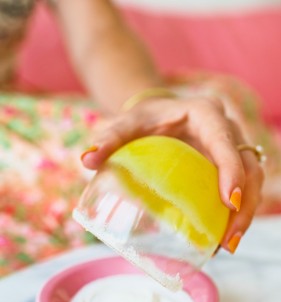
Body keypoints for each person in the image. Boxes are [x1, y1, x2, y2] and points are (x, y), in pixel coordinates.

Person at [0, 0, 264, 259]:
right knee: (63, 186)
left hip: (18, 111)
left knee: (222, 106)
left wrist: (147, 106)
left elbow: (97, 33)